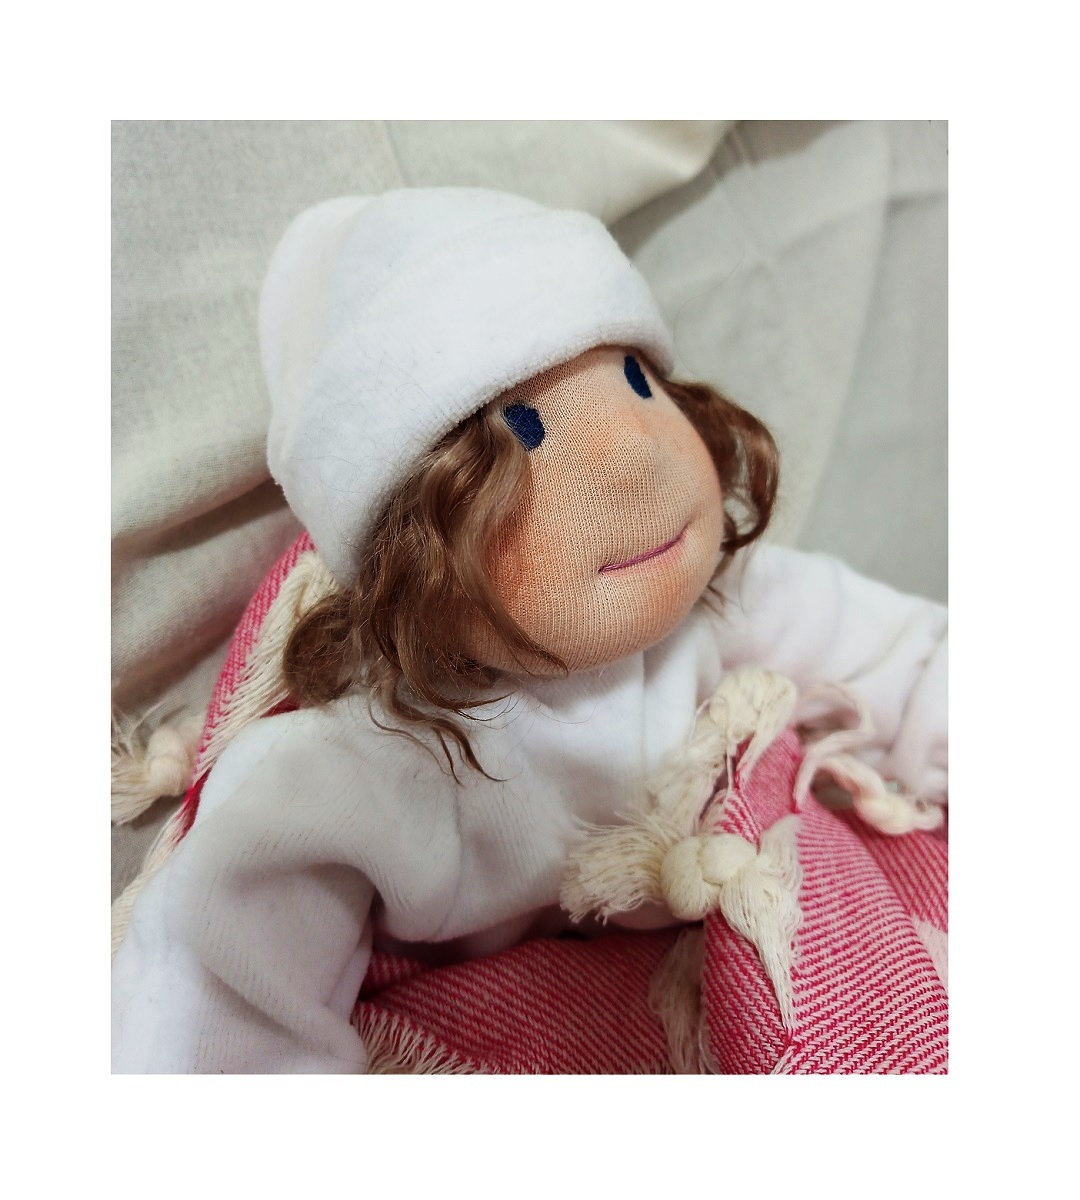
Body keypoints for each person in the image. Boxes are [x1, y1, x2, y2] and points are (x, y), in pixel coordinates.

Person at [111, 187, 947, 1073]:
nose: (638, 456)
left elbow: (896, 655)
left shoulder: (715, 598)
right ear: (409, 540)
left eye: (636, 380)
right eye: (526, 428)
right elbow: (213, 993)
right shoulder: (370, 761)